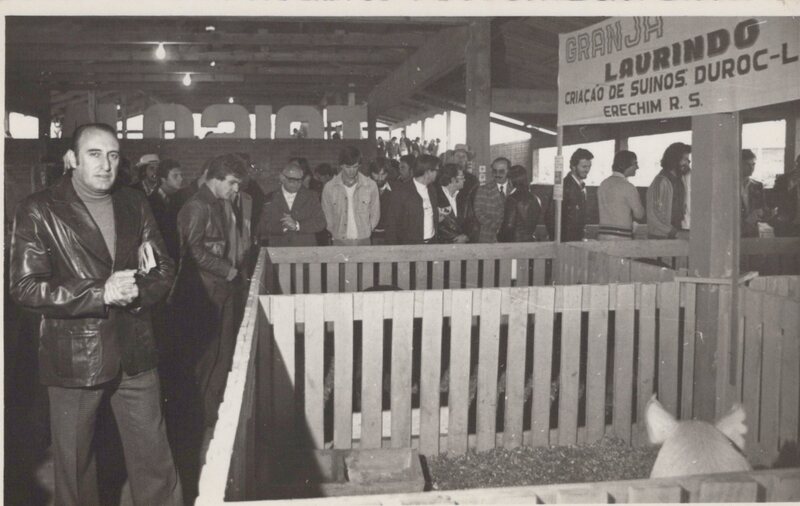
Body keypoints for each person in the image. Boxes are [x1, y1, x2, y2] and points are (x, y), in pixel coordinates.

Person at [9, 123, 182, 506]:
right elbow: (25, 287)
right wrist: (100, 292)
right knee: (74, 468)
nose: (106, 164)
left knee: (155, 460)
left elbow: (163, 267)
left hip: (135, 350)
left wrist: (138, 293)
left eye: (113, 155)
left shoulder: (134, 202)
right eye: (94, 154)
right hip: (74, 358)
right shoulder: (38, 209)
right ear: (71, 159)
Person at [176, 153, 247, 427]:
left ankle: (210, 416)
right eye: (232, 183)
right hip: (203, 295)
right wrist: (224, 268)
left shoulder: (217, 203)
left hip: (220, 290)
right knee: (205, 359)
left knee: (222, 354)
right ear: (215, 178)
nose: (236, 189)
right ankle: (196, 420)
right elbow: (190, 250)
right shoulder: (197, 206)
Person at [321, 146, 380, 246]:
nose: (352, 171)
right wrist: (335, 232)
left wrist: (367, 230)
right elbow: (327, 215)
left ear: (359, 165)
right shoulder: (329, 187)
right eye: (348, 167)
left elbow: (375, 213)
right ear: (341, 165)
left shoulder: (370, 185)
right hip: (339, 240)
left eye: (355, 167)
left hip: (364, 240)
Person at [258, 161, 326, 247]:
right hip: (279, 249)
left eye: (299, 181)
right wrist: (284, 227)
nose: (296, 184)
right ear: (282, 178)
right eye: (292, 180)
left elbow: (321, 222)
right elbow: (263, 226)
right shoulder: (270, 198)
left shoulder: (312, 196)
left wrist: (297, 225)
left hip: (305, 249)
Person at [385, 154, 440, 245]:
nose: (438, 173)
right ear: (427, 172)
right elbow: (392, 224)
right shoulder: (401, 192)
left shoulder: (432, 190)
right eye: (436, 170)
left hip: (432, 243)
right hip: (410, 246)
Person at [647, 142, 691, 239]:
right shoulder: (660, 182)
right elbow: (653, 214)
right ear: (674, 160)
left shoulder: (679, 181)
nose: (688, 163)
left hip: (674, 234)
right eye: (685, 159)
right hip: (660, 237)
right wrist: (674, 232)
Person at [597, 150, 645, 240]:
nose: (637, 167)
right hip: (622, 237)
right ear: (625, 165)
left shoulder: (603, 184)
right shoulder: (628, 187)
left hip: (602, 236)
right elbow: (639, 214)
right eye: (635, 163)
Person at [547, 148, 593, 242]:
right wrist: (559, 242)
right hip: (566, 242)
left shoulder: (581, 187)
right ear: (573, 166)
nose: (587, 170)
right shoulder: (563, 186)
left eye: (589, 166)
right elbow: (550, 216)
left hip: (576, 241)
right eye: (584, 167)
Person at [149, 158, 184, 262]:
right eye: (175, 176)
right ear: (163, 179)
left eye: (181, 175)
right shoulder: (150, 202)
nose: (181, 179)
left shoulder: (180, 200)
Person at [500, 164, 543, 242]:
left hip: (514, 242)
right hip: (529, 241)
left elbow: (509, 226)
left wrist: (499, 236)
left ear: (512, 180)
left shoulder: (512, 199)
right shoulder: (535, 198)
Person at [472, 157, 510, 243]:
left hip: (510, 237)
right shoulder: (483, 189)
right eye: (494, 171)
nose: (497, 174)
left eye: (501, 171)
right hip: (488, 236)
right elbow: (478, 212)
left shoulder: (514, 189)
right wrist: (496, 226)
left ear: (508, 171)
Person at [435, 163, 470, 244]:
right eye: (462, 177)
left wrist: (465, 236)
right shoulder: (435, 197)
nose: (464, 180)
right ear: (453, 180)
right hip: (442, 245)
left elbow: (470, 220)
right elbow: (436, 225)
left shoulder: (464, 197)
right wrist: (453, 238)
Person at [740, 149, 766, 238]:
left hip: (752, 231)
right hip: (735, 230)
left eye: (753, 164)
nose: (751, 168)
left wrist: (760, 213)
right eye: (747, 164)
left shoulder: (757, 185)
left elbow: (763, 209)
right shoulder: (729, 186)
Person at [773, 154, 800, 237]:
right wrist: (791, 187)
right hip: (786, 225)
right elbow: (773, 201)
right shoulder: (783, 179)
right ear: (797, 164)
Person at [369, 158, 393, 245]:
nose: (379, 178)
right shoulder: (363, 189)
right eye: (376, 174)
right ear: (371, 173)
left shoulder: (395, 190)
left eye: (383, 174)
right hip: (369, 236)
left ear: (388, 174)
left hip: (389, 236)